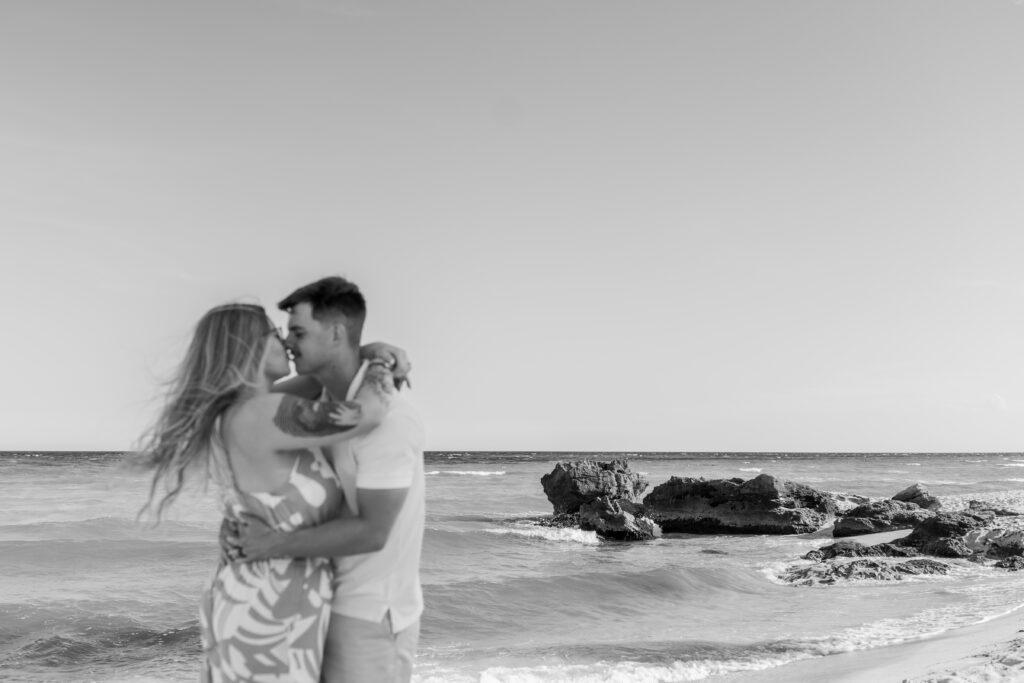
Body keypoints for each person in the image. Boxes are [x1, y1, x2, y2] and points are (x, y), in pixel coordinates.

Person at [135, 302, 402, 683]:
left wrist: (363, 349)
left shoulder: (239, 409)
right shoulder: (262, 412)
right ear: (249, 346)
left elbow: (317, 379)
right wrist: (381, 363)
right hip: (268, 607)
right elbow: (369, 413)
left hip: (268, 598)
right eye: (276, 334)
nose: (287, 343)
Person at [230, 276, 426, 683]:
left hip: (367, 615)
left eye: (298, 332)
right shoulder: (309, 407)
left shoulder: (390, 419)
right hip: (312, 609)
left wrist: (273, 544)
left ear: (336, 332)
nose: (288, 343)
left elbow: (373, 531)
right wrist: (372, 354)